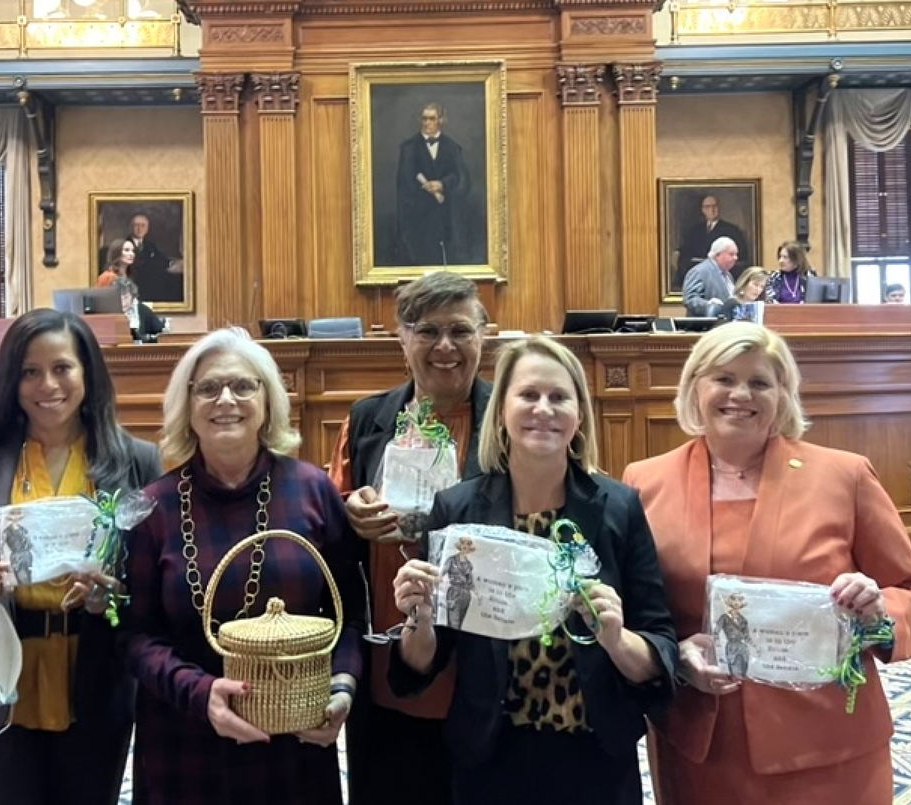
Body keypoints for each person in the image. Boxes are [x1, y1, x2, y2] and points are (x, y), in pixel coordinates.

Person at [621, 322, 911, 805]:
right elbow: (639, 614)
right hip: (703, 750)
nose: (739, 394)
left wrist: (879, 613)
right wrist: (676, 655)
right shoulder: (645, 482)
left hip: (829, 745)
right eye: (723, 379)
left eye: (759, 382)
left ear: (783, 395)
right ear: (694, 388)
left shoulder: (844, 475)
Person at [389, 336, 677, 804]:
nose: (543, 408)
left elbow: (659, 650)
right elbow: (426, 660)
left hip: (595, 758)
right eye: (528, 395)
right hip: (490, 754)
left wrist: (616, 639)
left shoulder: (619, 508)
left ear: (579, 415)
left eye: (559, 397)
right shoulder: (457, 508)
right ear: (501, 410)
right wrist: (417, 618)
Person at [0, 309, 163, 805]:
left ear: (87, 373)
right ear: (11, 380)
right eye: (30, 371)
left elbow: (151, 594)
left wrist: (109, 598)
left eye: (63, 367)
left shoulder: (137, 460)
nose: (48, 384)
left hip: (92, 691)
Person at [122, 327, 364, 805]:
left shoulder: (314, 491)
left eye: (242, 386)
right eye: (208, 388)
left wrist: (342, 689)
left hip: (294, 741)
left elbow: (351, 615)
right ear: (186, 407)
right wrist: (200, 692)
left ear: (267, 401)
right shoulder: (153, 508)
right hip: (184, 738)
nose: (225, 399)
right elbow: (134, 637)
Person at [327, 270, 491, 805]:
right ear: (401, 337)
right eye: (427, 331)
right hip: (388, 662)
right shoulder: (368, 419)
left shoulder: (508, 421)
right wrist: (348, 511)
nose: (445, 346)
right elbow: (328, 530)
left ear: (483, 337)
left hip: (484, 671)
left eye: (461, 331)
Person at [394, 103, 471, 267]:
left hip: (446, 223)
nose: (427, 123)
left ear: (441, 120)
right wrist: (426, 192)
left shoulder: (453, 147)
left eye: (432, 119)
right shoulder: (408, 148)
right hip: (417, 224)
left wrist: (442, 185)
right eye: (424, 119)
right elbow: (404, 186)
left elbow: (463, 180)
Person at [673, 195, 749, 290]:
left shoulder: (731, 230)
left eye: (714, 206)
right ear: (703, 210)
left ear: (719, 208)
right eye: (708, 207)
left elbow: (741, 254)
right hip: (698, 270)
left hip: (721, 274)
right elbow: (687, 249)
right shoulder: (695, 230)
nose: (712, 209)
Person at [127, 213, 184, 304]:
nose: (139, 228)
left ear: (147, 229)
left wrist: (172, 263)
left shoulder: (150, 245)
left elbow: (161, 259)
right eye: (136, 225)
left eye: (143, 226)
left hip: (150, 281)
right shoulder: (125, 244)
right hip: (136, 281)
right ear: (131, 227)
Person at [683, 237, 739, 317]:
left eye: (736, 254)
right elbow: (690, 300)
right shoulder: (699, 271)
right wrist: (709, 304)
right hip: (705, 326)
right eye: (731, 254)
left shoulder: (728, 275)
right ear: (717, 255)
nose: (735, 258)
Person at [114, 277, 166, 343]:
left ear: (133, 296)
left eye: (126, 297)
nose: (123, 302)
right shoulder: (107, 311)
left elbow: (162, 335)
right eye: (119, 298)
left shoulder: (143, 310)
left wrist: (145, 338)